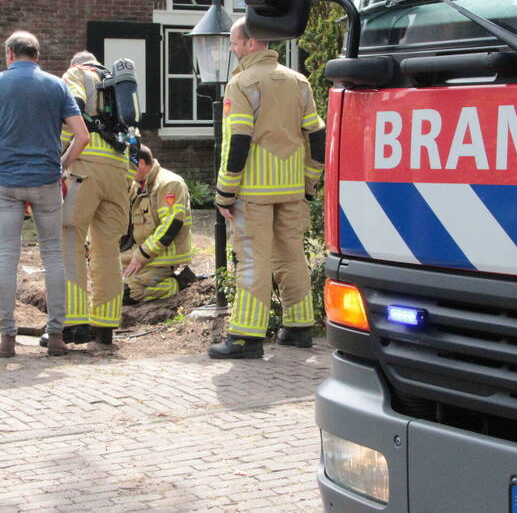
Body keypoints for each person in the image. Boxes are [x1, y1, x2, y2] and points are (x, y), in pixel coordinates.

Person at [208, 18, 326, 360]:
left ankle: (245, 337)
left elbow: (238, 140)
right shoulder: (299, 81)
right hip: (291, 189)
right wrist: (309, 183)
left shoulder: (241, 84)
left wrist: (225, 192)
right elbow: (317, 136)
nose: (232, 49)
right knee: (291, 255)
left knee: (252, 260)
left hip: (253, 193)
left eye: (234, 43)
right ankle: (299, 329)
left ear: (249, 43)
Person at [0, 31, 89, 358]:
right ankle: (56, 336)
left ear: (9, 54)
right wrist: (62, 165)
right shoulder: (56, 86)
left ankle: (7, 338)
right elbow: (82, 136)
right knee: (53, 254)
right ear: (37, 56)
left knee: (7, 255)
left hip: (7, 181)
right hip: (46, 180)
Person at [54, 50, 132, 353]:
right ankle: (105, 326)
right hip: (118, 170)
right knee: (107, 248)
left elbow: (73, 108)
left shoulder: (76, 74)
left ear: (75, 64)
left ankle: (73, 323)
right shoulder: (117, 85)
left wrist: (59, 155)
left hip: (85, 165)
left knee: (70, 238)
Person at [122, 145, 192, 303]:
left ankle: (177, 283)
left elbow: (171, 225)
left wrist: (141, 256)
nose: (125, 172)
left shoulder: (170, 184)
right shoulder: (137, 185)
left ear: (140, 163)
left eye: (126, 166)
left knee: (125, 293)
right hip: (143, 253)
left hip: (163, 257)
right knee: (105, 279)